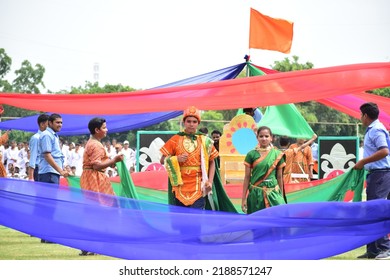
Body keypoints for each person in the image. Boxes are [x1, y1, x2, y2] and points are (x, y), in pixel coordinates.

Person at [79, 117, 124, 256]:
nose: (106, 130)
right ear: (97, 130)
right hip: (95, 178)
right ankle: (101, 242)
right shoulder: (96, 145)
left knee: (94, 211)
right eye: (104, 127)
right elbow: (96, 165)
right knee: (107, 209)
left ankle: (92, 243)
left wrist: (111, 162)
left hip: (91, 177)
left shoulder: (92, 142)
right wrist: (114, 160)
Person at [160, 106, 218, 209]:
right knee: (181, 219)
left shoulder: (205, 140)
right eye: (189, 121)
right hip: (179, 187)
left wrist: (210, 181)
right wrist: (176, 159)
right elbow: (162, 160)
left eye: (194, 121)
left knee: (196, 220)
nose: (191, 124)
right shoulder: (175, 139)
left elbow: (212, 161)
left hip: (199, 186)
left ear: (198, 123)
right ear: (184, 122)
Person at [354, 102, 390, 260]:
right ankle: (372, 249)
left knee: (377, 209)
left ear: (365, 116)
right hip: (375, 174)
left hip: (381, 174)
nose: (360, 118)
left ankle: (385, 248)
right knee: (371, 210)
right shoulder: (372, 130)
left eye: (361, 115)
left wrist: (363, 161)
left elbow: (384, 151)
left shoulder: (376, 130)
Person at [241, 126, 286, 214]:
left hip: (273, 193)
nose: (264, 139)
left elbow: (279, 177)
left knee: (278, 219)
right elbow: (247, 177)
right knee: (257, 222)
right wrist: (243, 199)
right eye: (261, 136)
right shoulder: (251, 154)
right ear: (257, 137)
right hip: (256, 194)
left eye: (266, 136)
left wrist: (281, 196)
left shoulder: (277, 154)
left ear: (271, 138)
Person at [38, 113, 69, 184]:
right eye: (57, 122)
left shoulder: (54, 135)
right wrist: (60, 171)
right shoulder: (47, 135)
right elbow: (47, 155)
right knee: (48, 195)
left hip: (54, 172)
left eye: (61, 123)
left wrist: (62, 170)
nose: (60, 125)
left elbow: (56, 154)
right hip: (49, 172)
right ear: (50, 123)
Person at [28, 113, 49, 181]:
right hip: (38, 169)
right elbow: (33, 157)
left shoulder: (48, 137)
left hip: (46, 169)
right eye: (48, 124)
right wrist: (31, 177)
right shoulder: (36, 138)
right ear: (42, 124)